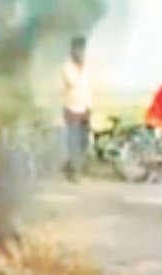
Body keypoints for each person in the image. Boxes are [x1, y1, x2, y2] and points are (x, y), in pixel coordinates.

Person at [62, 36, 93, 183]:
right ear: (72, 50)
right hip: (72, 109)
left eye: (82, 49)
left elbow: (88, 88)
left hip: (85, 108)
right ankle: (75, 172)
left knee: (84, 142)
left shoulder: (87, 67)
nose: (80, 52)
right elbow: (72, 82)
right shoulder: (67, 66)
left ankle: (71, 166)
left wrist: (90, 107)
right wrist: (80, 66)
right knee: (74, 141)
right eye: (78, 49)